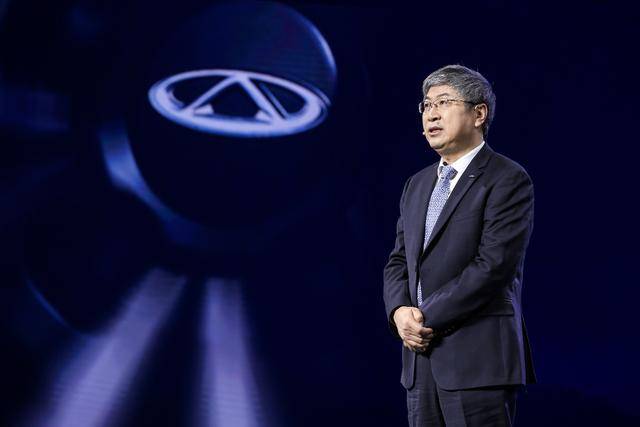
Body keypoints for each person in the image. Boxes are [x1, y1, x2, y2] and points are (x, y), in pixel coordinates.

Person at [383, 64, 536, 427]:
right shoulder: (417, 184)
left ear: (478, 114)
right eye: (426, 105)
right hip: (421, 362)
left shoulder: (506, 178)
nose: (431, 114)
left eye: (444, 102)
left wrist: (423, 318)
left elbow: (493, 267)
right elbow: (399, 261)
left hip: (478, 361)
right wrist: (399, 312)